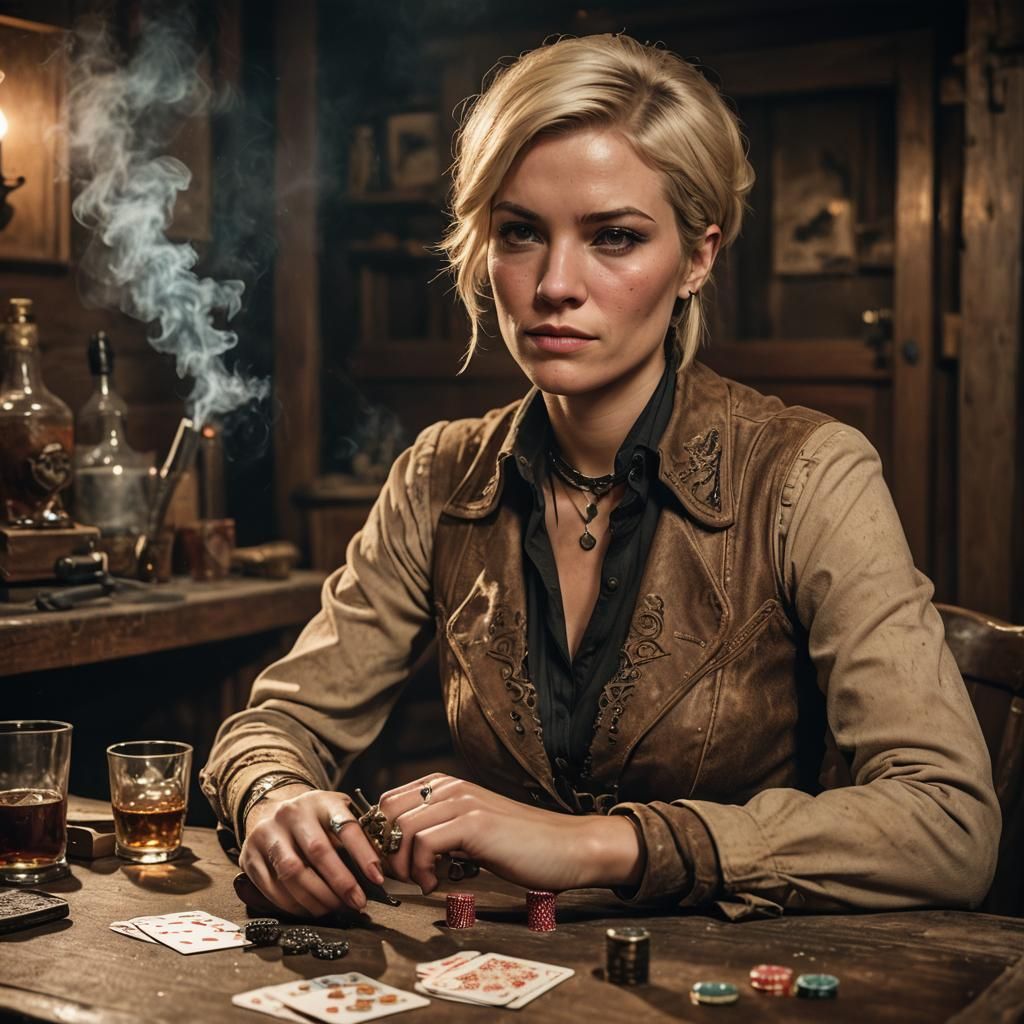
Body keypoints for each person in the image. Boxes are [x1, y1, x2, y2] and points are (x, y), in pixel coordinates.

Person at [200, 33, 999, 921]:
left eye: (614, 237)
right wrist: (272, 801)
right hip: (508, 974)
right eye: (520, 234)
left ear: (698, 257)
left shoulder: (810, 474)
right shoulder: (440, 475)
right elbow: (277, 726)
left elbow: (948, 823)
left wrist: (596, 843)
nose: (554, 284)